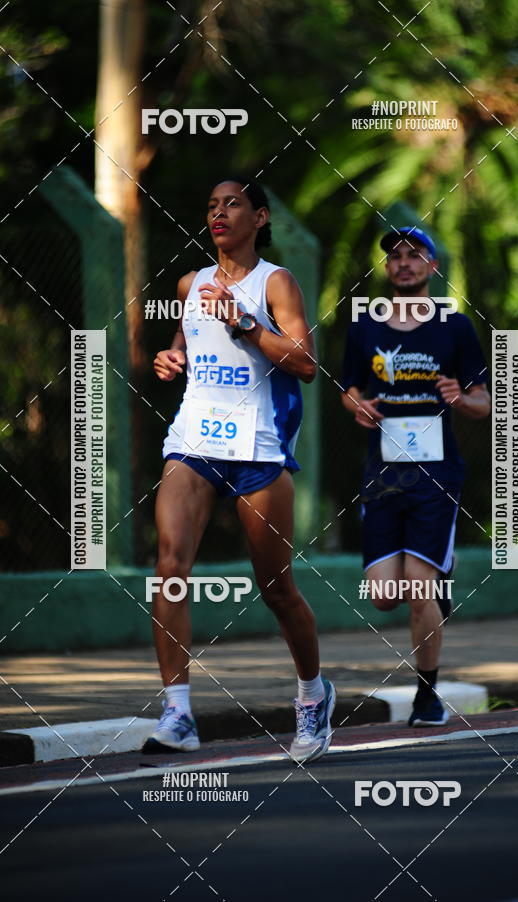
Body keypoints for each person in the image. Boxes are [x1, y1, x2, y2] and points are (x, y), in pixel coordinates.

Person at [143, 176, 335, 762]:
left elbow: (305, 363)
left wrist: (247, 325)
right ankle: (178, 713)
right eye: (211, 205)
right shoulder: (190, 283)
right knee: (170, 566)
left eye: (232, 204)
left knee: (276, 589)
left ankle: (312, 695)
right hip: (193, 441)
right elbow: (187, 341)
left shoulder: (275, 282)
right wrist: (173, 356)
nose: (219, 213)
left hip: (258, 447)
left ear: (260, 216)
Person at [341, 226, 490, 726]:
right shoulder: (366, 327)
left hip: (436, 475)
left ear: (432, 267)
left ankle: (427, 694)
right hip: (382, 475)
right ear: (387, 269)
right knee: (385, 595)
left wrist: (459, 397)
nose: (404, 262)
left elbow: (483, 402)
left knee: (418, 588)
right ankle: (436, 583)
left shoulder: (455, 328)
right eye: (396, 256)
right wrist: (357, 406)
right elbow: (348, 388)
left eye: (414, 255)